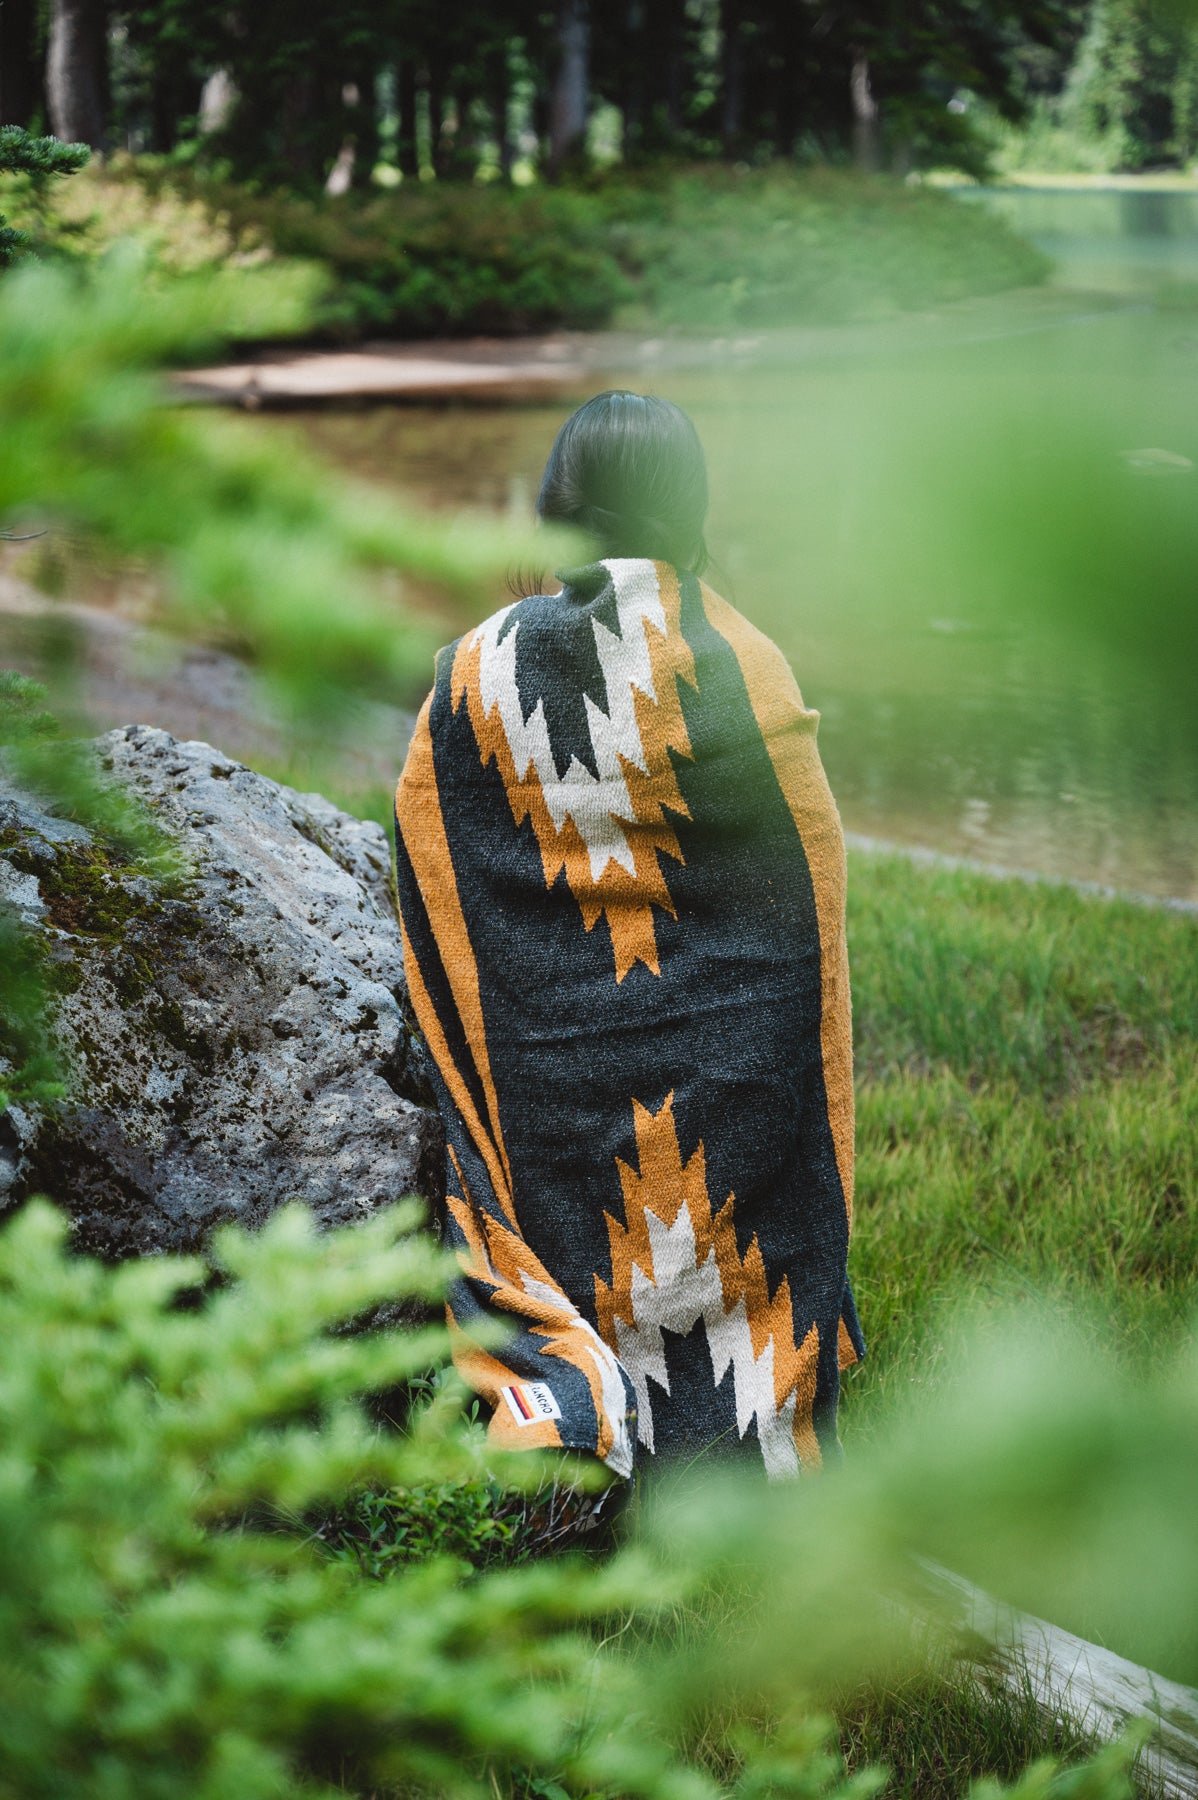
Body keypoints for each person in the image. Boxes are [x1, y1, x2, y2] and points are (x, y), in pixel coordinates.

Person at [393, 390, 862, 1494]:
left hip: (556, 1128)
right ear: (689, 512)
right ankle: (752, 1396)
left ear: (556, 509)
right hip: (736, 1125)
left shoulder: (472, 675)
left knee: (560, 1165)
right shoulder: (744, 667)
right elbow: (807, 928)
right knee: (763, 1103)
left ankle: (586, 1396)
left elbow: (436, 877)